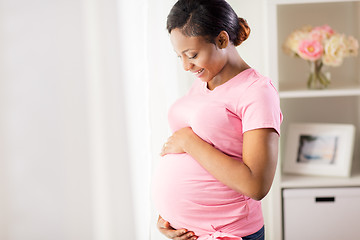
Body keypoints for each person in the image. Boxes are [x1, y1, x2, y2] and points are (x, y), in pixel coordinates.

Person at [151, 0, 283, 239]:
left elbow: (257, 186)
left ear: (222, 40)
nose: (185, 66)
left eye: (192, 55)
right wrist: (170, 217)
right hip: (191, 232)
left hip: (228, 232)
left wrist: (189, 141)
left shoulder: (257, 91)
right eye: (179, 56)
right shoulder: (204, 82)